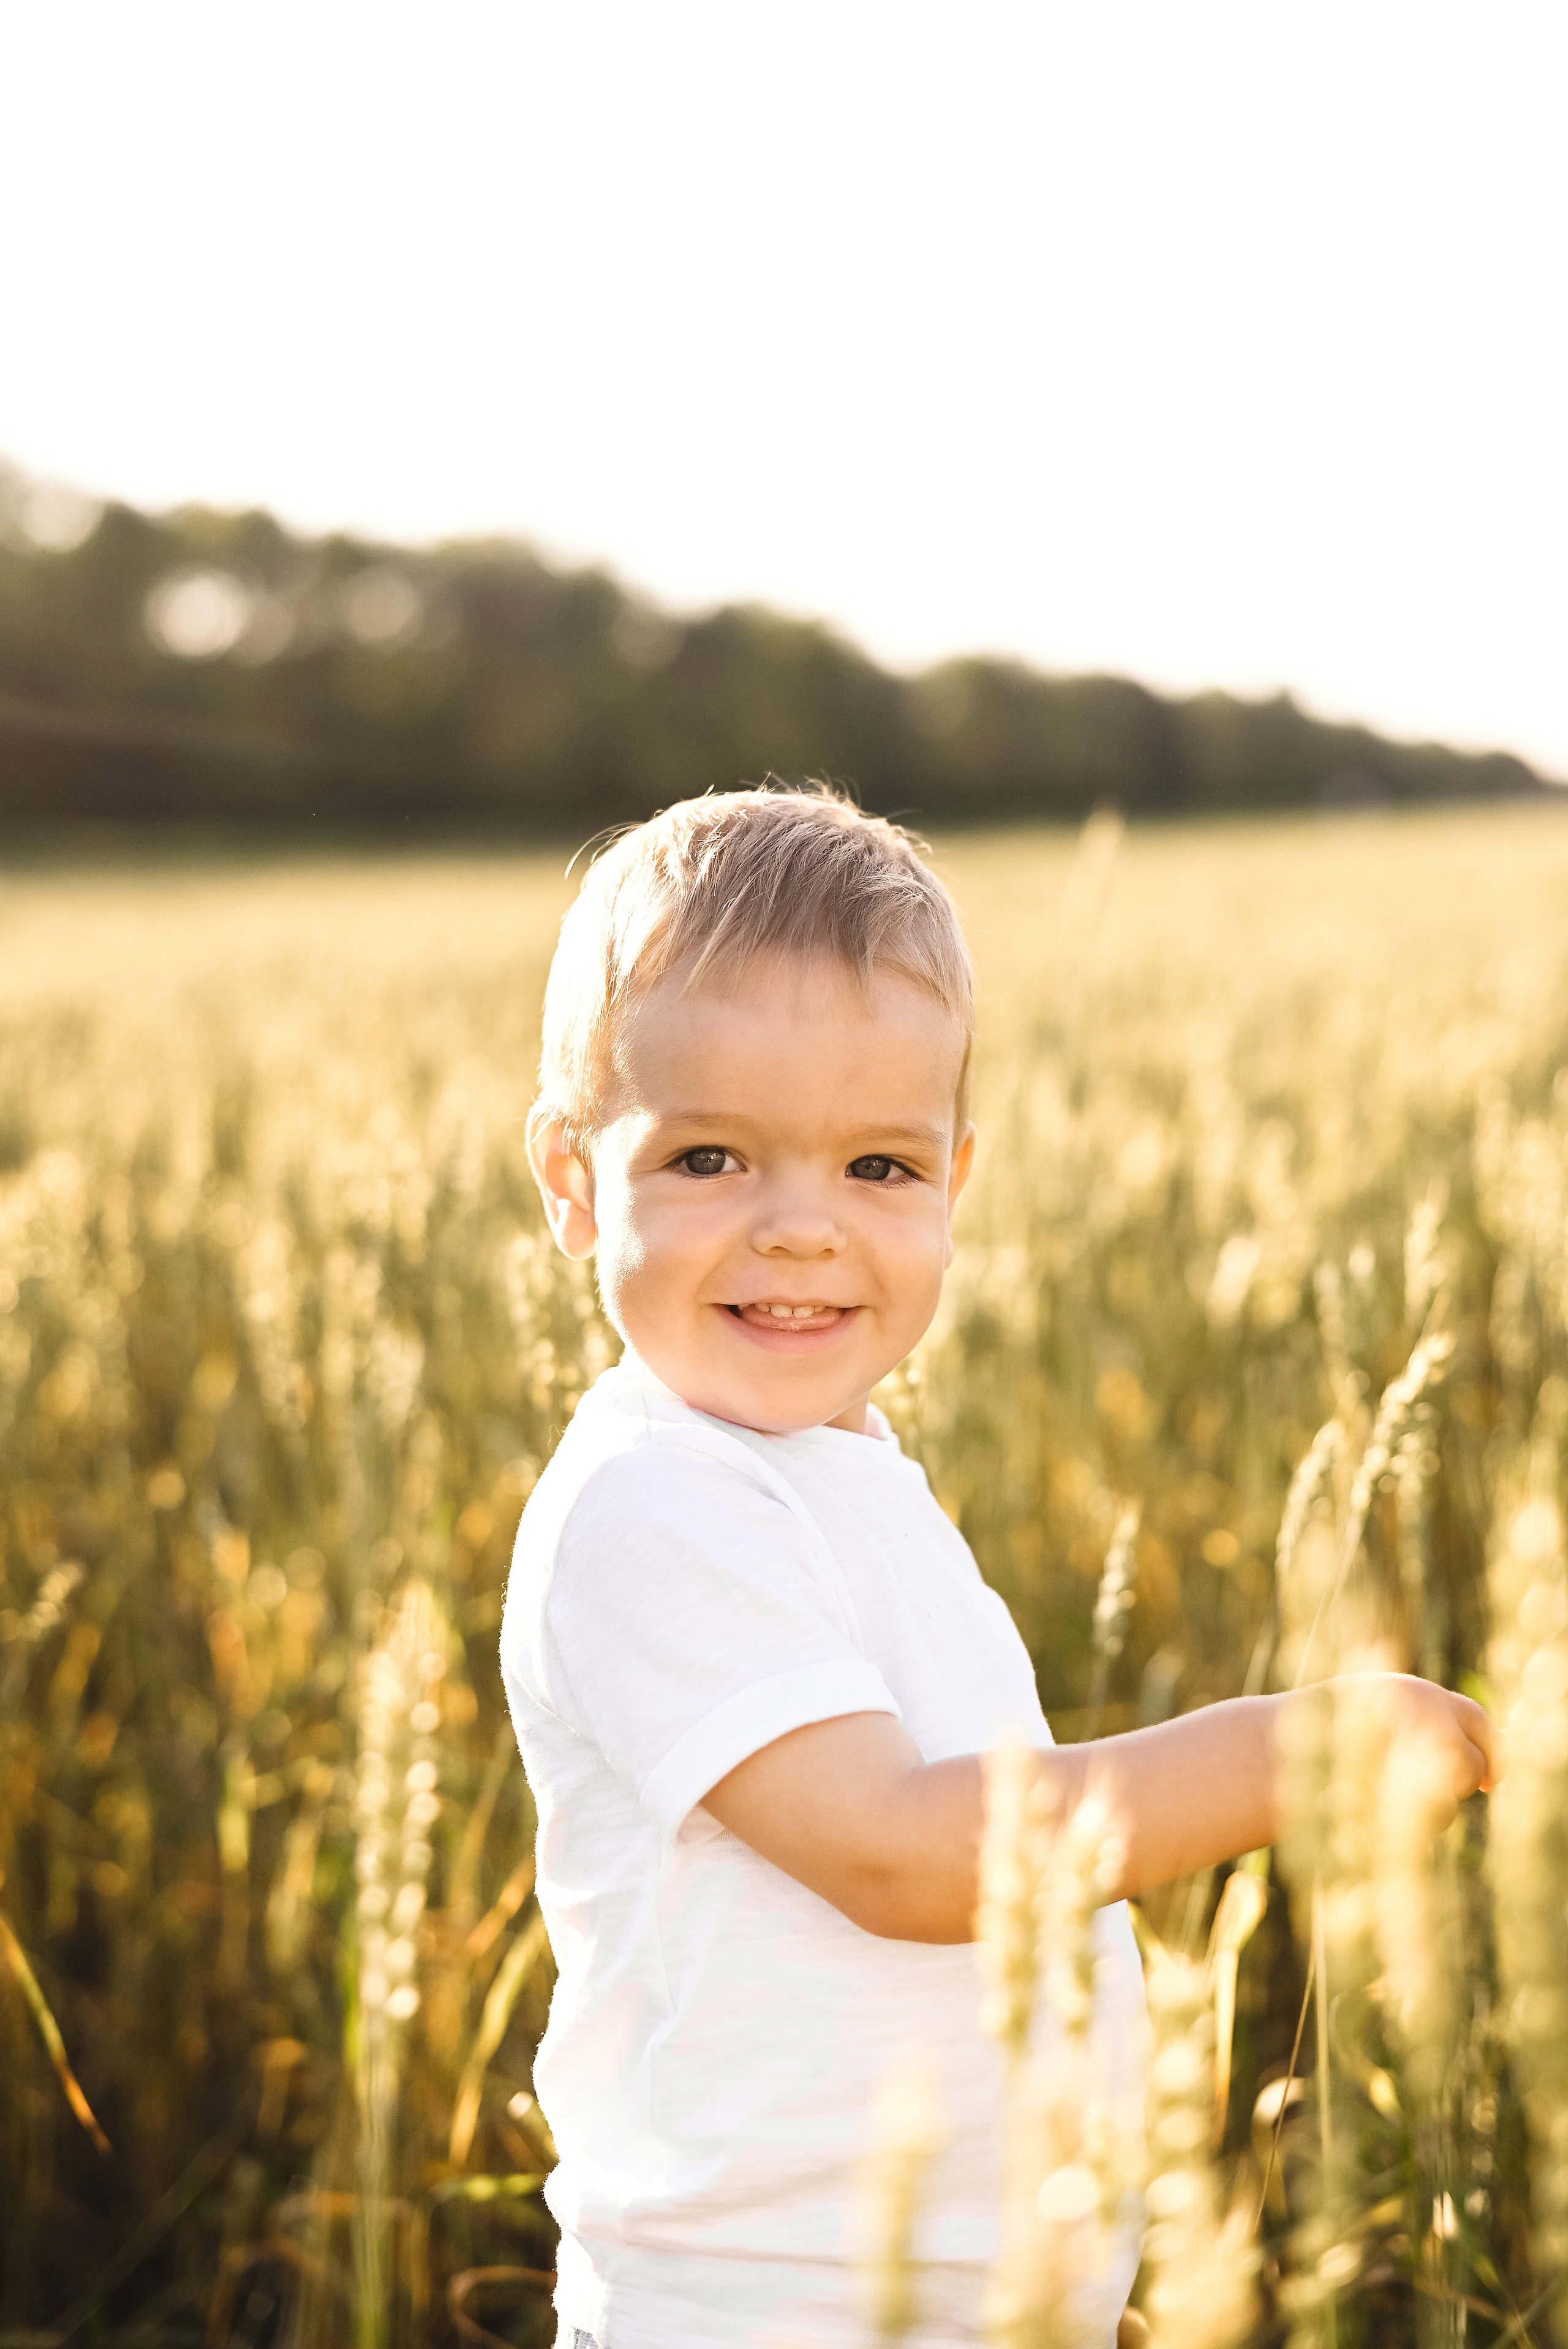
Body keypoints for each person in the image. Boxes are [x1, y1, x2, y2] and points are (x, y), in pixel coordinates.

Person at [499, 785, 1494, 2349]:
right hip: (765, 2310)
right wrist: (1288, 1750)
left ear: (956, 1179)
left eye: (876, 1170)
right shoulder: (647, 1509)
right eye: (708, 1158)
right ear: (570, 1181)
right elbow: (901, 1855)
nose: (801, 1231)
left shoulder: (842, 1475)